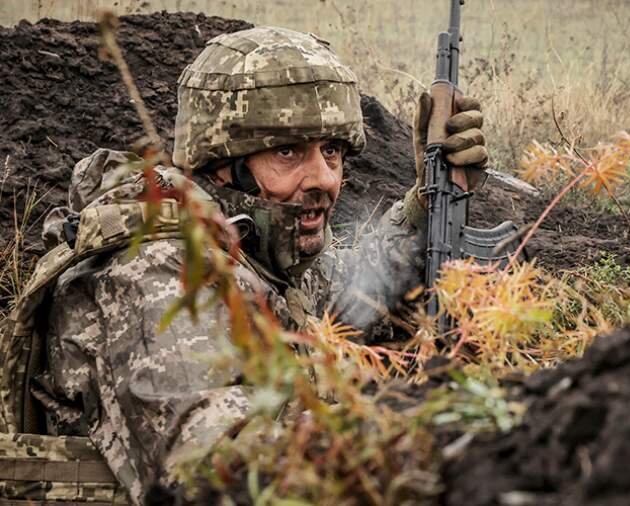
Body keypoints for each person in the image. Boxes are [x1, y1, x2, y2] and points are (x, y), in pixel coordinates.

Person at [8, 26, 489, 504]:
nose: (323, 178)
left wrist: (430, 203)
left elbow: (353, 296)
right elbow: (226, 475)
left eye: (332, 151)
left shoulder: (250, 247)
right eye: (288, 152)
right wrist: (419, 438)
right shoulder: (160, 279)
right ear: (222, 162)